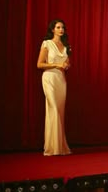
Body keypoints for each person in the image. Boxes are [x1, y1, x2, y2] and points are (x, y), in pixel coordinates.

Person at [37, 19, 72, 156]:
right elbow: (40, 64)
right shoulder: (47, 44)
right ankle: (53, 148)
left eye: (62, 27)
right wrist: (57, 65)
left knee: (60, 112)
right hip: (49, 78)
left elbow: (67, 63)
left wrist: (66, 66)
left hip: (61, 80)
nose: (61, 29)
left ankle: (59, 146)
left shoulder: (66, 45)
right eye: (58, 27)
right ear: (53, 30)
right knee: (54, 109)